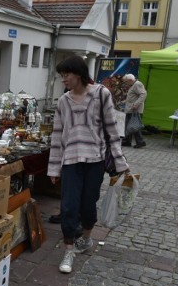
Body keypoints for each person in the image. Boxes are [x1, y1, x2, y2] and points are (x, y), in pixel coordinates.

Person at [48, 55, 129, 274]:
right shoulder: (63, 101)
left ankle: (86, 237)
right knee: (68, 207)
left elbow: (112, 130)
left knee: (88, 205)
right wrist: (54, 169)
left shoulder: (101, 94)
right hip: (70, 161)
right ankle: (69, 250)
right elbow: (57, 136)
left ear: (79, 74)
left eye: (66, 75)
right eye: (61, 76)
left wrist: (120, 163)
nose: (63, 79)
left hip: (95, 160)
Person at [121, 73, 147, 148]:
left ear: (130, 80)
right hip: (131, 108)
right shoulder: (133, 85)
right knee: (129, 125)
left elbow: (143, 94)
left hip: (134, 109)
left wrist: (136, 104)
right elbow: (133, 96)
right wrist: (125, 101)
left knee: (134, 126)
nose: (126, 84)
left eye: (126, 82)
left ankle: (140, 141)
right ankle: (127, 141)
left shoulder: (137, 84)